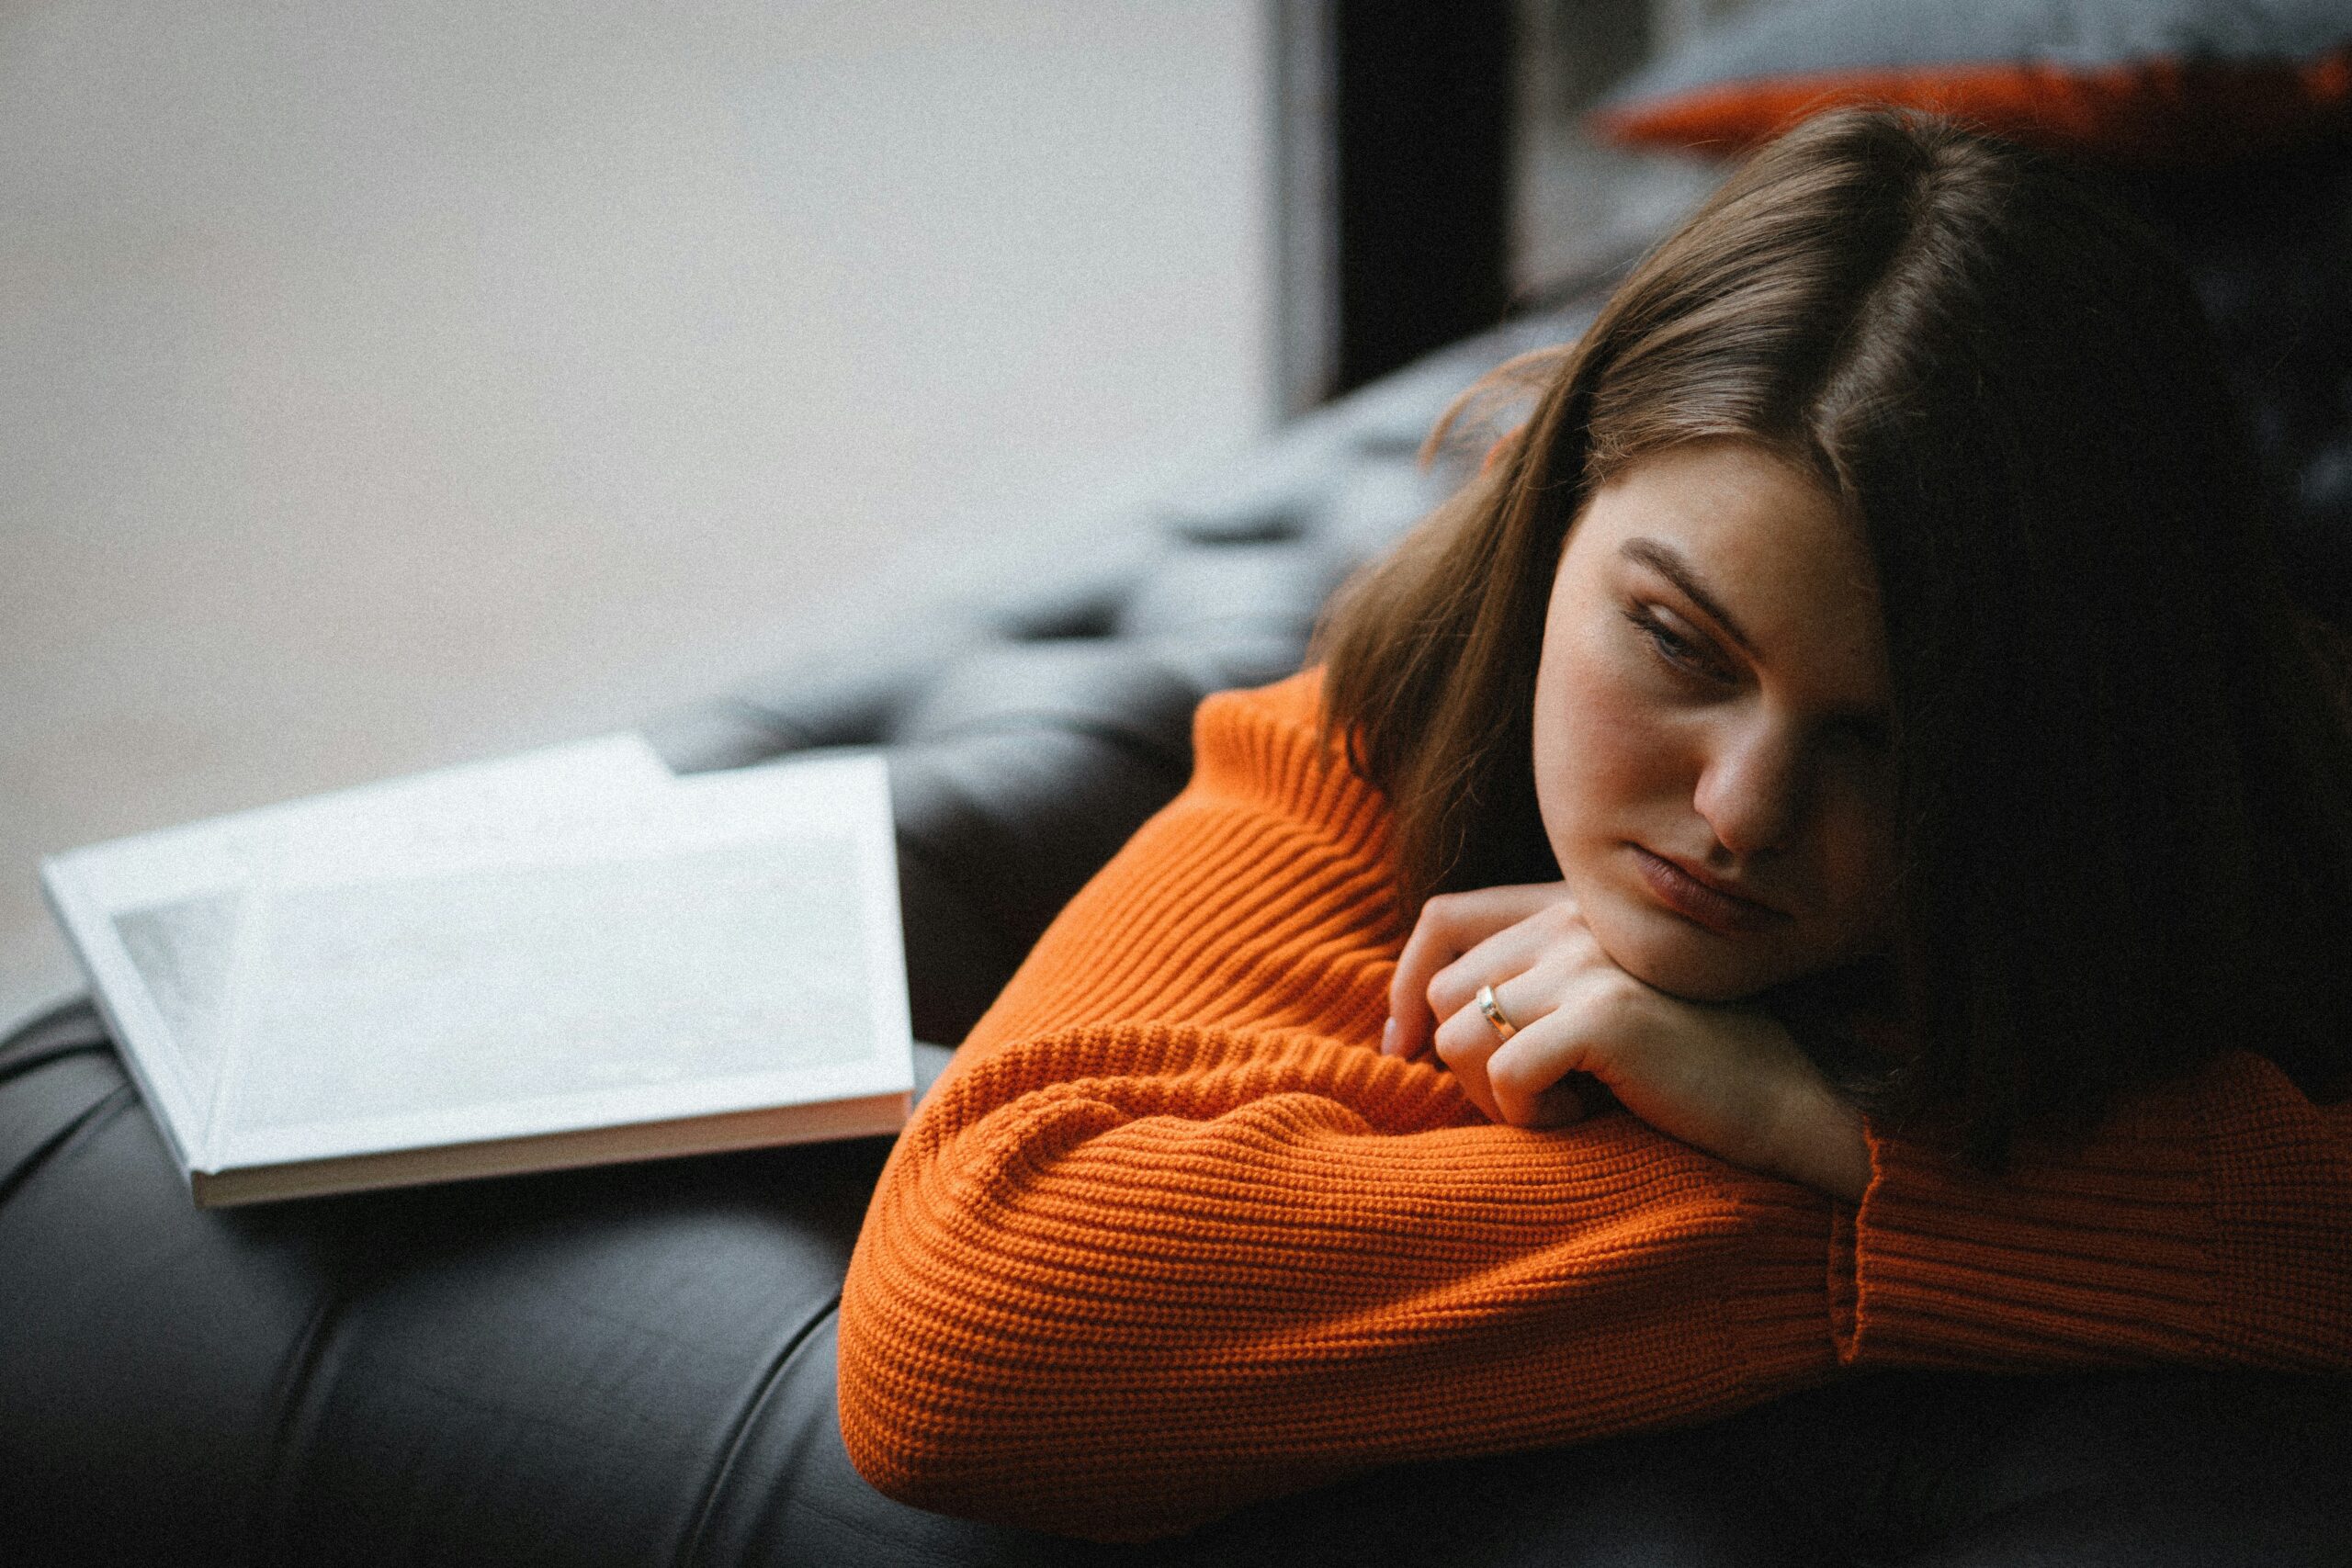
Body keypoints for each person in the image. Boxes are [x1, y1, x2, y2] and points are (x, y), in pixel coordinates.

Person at [834, 108, 2352, 1553]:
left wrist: (1823, 1128)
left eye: (1889, 739)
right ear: (1552, 507)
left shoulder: (2223, 809)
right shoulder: (1386, 725)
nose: (1741, 811)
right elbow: (970, 1330)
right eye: (1682, 644)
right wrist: (1974, 1225)